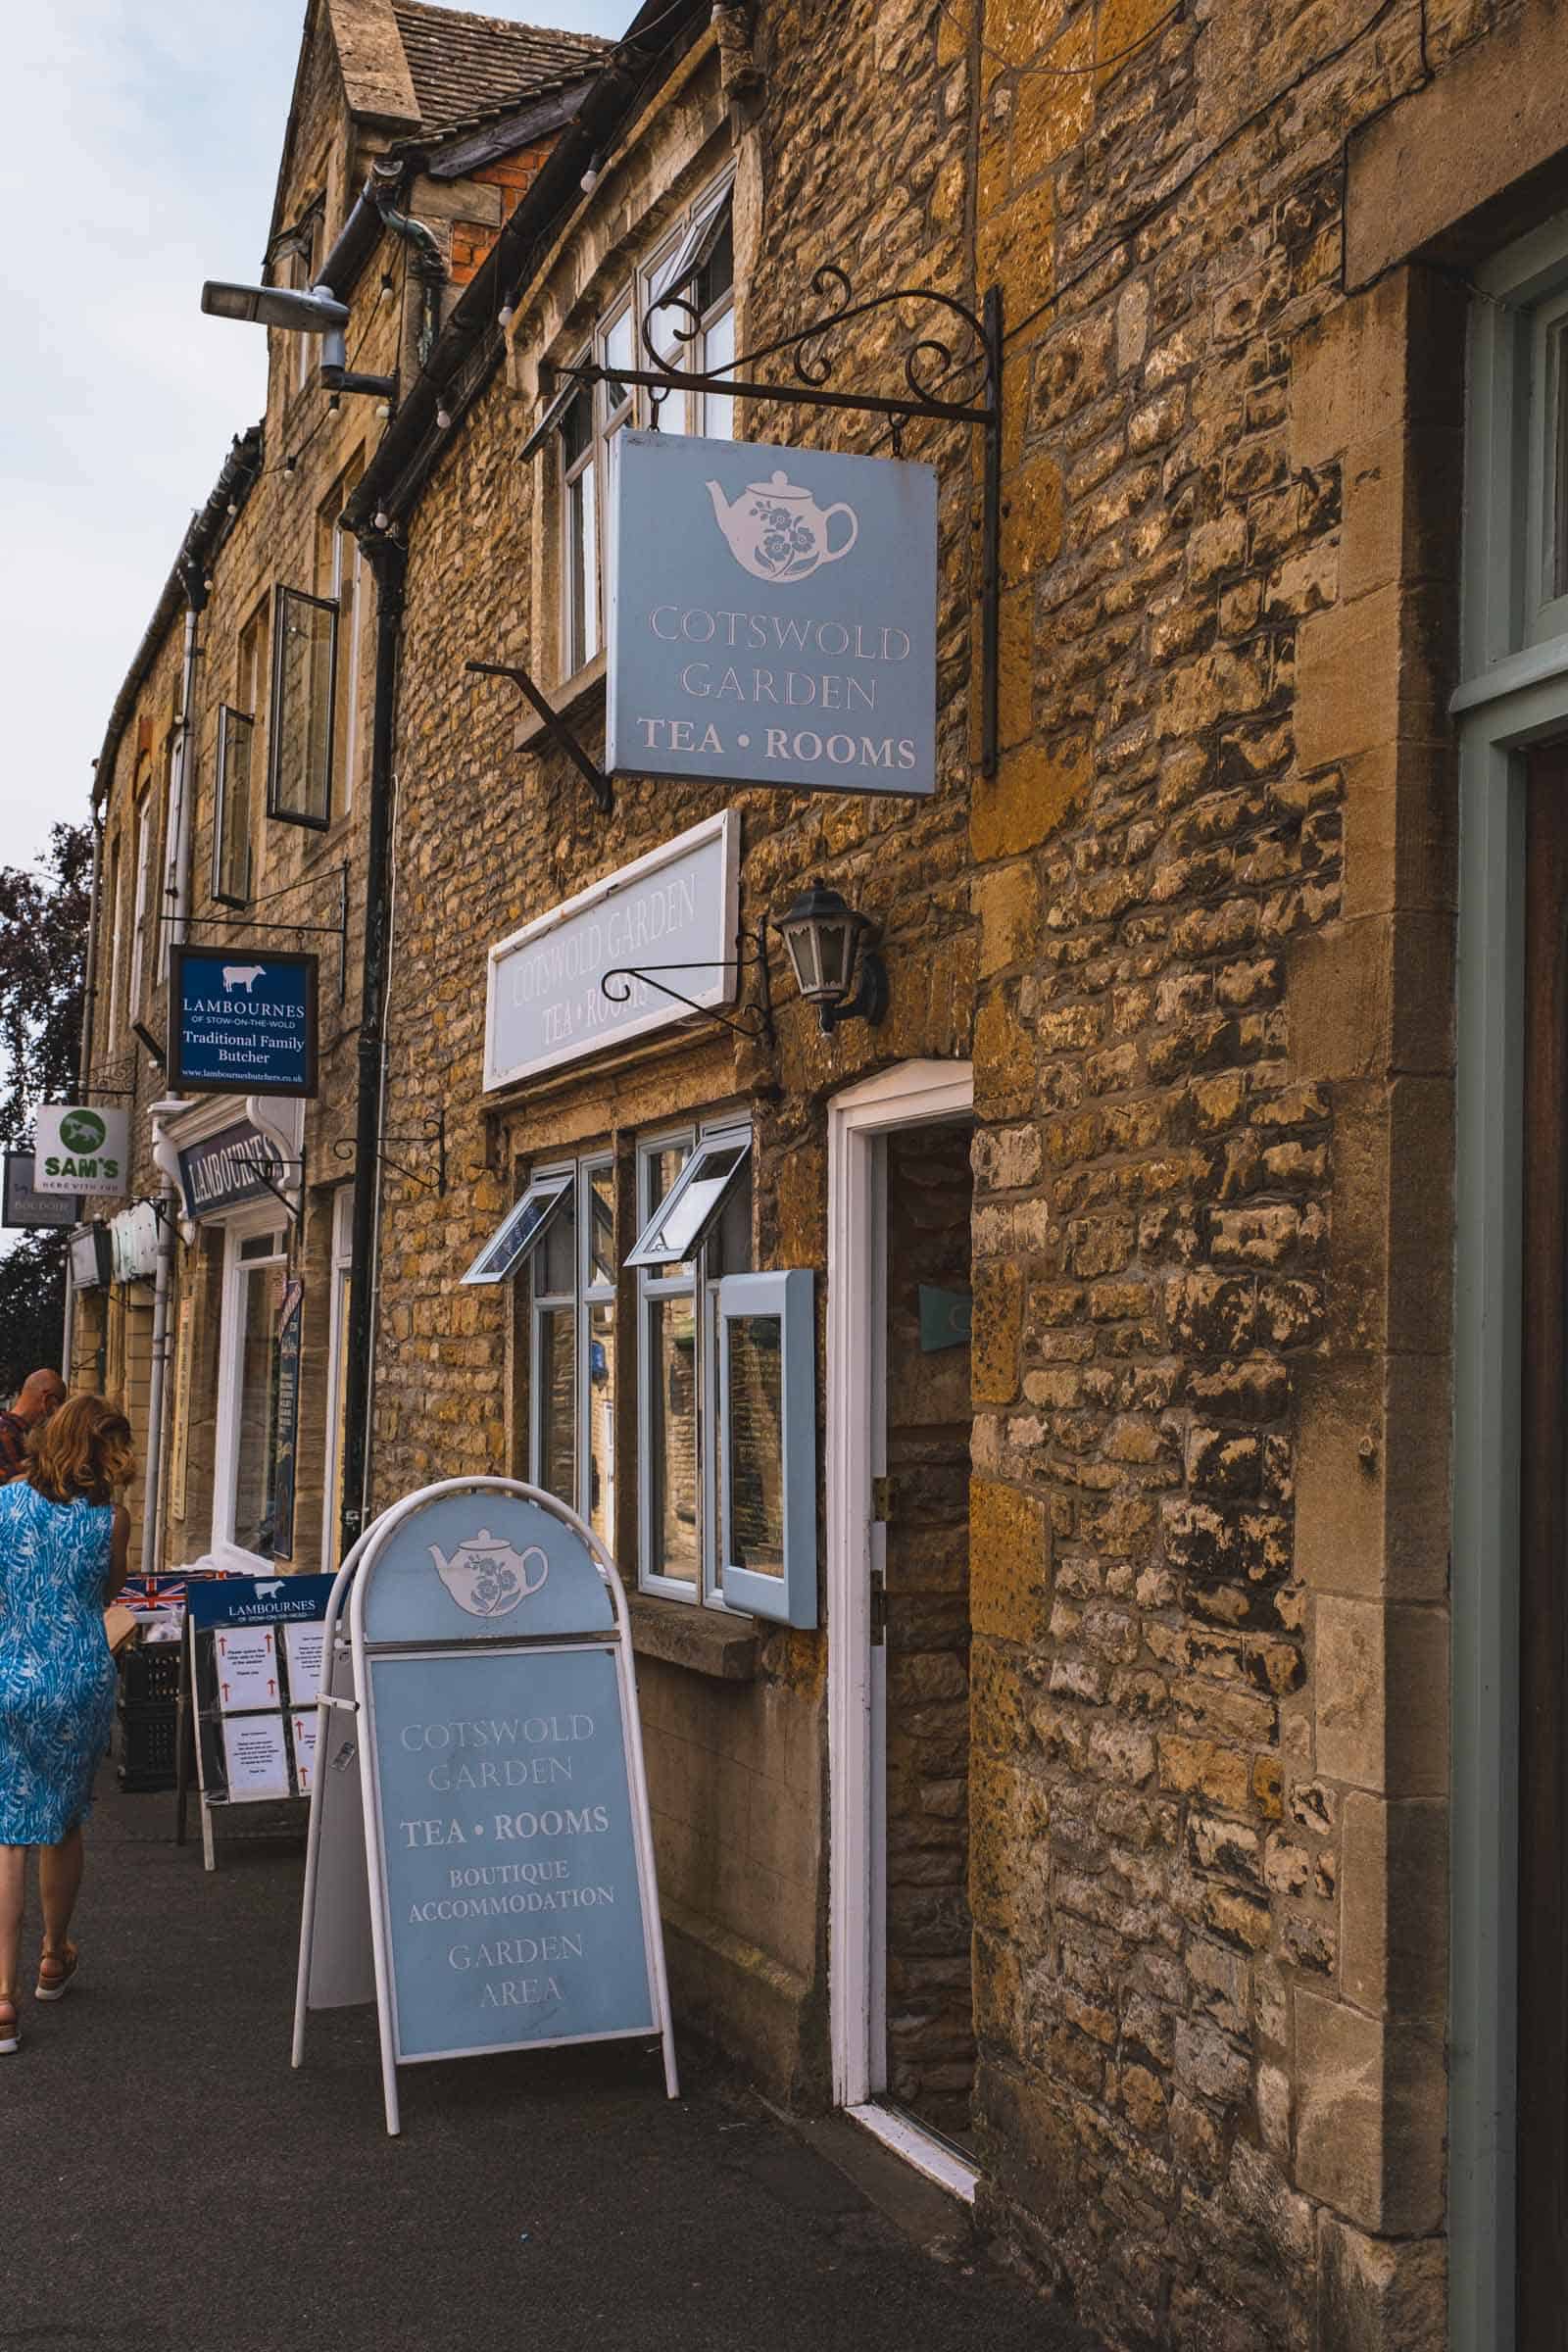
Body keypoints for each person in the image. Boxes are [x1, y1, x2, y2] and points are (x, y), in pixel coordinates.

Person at [0, 1394, 133, 2053]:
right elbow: (107, 1596)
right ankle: (53, 1957)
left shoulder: (4, 1506)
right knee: (63, 1818)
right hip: (80, 1677)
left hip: (11, 1677)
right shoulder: (110, 1519)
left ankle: (2, 1999)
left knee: (8, 1832)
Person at [0, 1370, 67, 1481]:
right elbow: (10, 1487)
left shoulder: (15, 1431)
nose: (58, 1416)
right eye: (60, 1408)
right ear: (49, 1401)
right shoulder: (6, 1434)